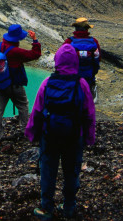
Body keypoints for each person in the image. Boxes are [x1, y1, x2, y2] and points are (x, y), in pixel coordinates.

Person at [25, 44, 96, 220]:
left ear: (57, 61)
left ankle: (47, 208)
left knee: (48, 171)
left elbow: (37, 112)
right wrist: (88, 137)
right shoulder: (82, 84)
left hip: (50, 136)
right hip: (74, 136)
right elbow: (89, 114)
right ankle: (69, 207)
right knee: (71, 172)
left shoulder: (47, 83)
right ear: (75, 61)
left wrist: (32, 133)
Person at [0, 23, 41, 141]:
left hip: (0, 83)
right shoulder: (16, 51)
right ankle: (25, 130)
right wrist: (35, 40)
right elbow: (35, 54)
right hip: (14, 85)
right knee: (23, 105)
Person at [63, 17, 101, 100]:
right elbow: (98, 59)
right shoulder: (94, 41)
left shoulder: (69, 42)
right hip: (88, 78)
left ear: (75, 28)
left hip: (72, 77)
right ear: (87, 29)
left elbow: (61, 59)